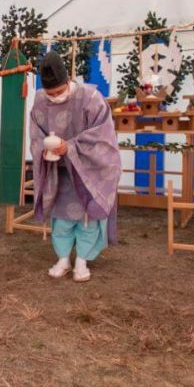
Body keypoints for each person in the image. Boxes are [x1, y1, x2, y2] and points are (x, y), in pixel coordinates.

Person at [29, 51, 122, 282]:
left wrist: (69, 147)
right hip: (58, 172)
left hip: (89, 170)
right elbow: (35, 135)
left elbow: (103, 137)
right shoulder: (40, 99)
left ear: (68, 80)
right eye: (50, 94)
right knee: (61, 218)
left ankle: (82, 261)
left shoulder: (90, 98)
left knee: (87, 218)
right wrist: (46, 148)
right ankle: (63, 259)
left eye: (59, 92)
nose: (55, 98)